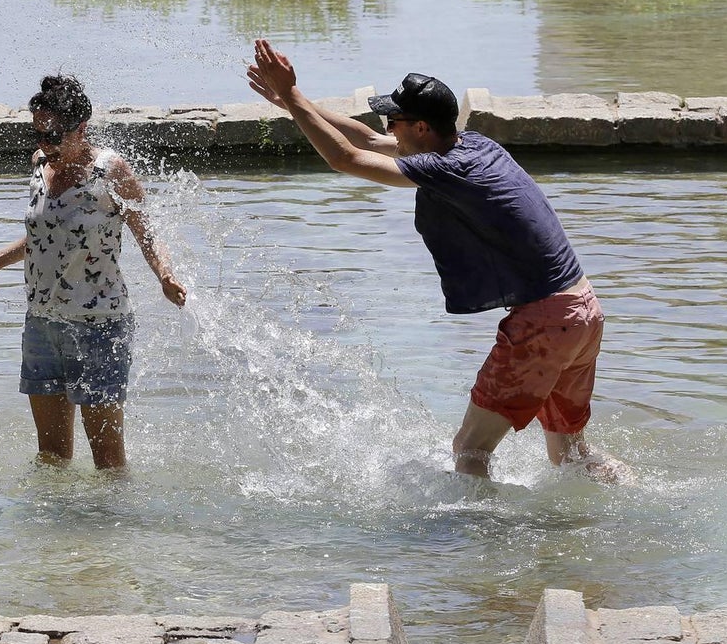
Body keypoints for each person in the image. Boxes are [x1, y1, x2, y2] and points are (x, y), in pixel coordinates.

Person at [248, 39, 624, 482]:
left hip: (545, 322)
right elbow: (368, 139)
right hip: (583, 311)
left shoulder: (446, 168)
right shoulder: (475, 144)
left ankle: (486, 547)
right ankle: (639, 499)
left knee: (470, 451)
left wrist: (292, 97)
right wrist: (295, 102)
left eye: (395, 120)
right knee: (570, 453)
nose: (388, 129)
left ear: (422, 127)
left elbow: (346, 157)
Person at [0, 74, 186, 470]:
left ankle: (112, 528)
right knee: (51, 458)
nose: (46, 144)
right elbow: (49, 235)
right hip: (42, 323)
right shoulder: (40, 165)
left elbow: (147, 234)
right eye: (38, 134)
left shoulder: (111, 171)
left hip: (99, 325)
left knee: (107, 461)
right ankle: (54, 531)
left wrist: (164, 274)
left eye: (55, 135)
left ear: (82, 128)